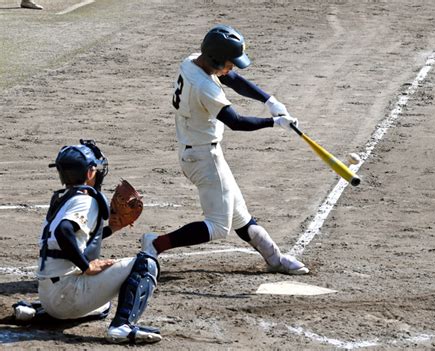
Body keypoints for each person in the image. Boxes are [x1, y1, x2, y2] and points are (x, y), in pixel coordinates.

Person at [141, 25, 309, 275]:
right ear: (216, 59)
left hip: (199, 151)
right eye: (230, 62)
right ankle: (155, 244)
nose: (232, 67)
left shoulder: (192, 62)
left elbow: (231, 78)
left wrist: (269, 101)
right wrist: (274, 122)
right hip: (203, 158)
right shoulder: (204, 88)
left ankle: (275, 259)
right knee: (219, 226)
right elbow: (236, 122)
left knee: (240, 216)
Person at [14, 140, 162, 344]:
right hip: (67, 293)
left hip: (49, 295)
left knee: (103, 307)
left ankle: (34, 312)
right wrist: (86, 266)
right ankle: (122, 327)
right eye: (96, 168)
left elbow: (77, 238)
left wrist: (113, 228)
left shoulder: (64, 198)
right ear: (90, 172)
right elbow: (63, 231)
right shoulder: (86, 200)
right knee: (146, 263)